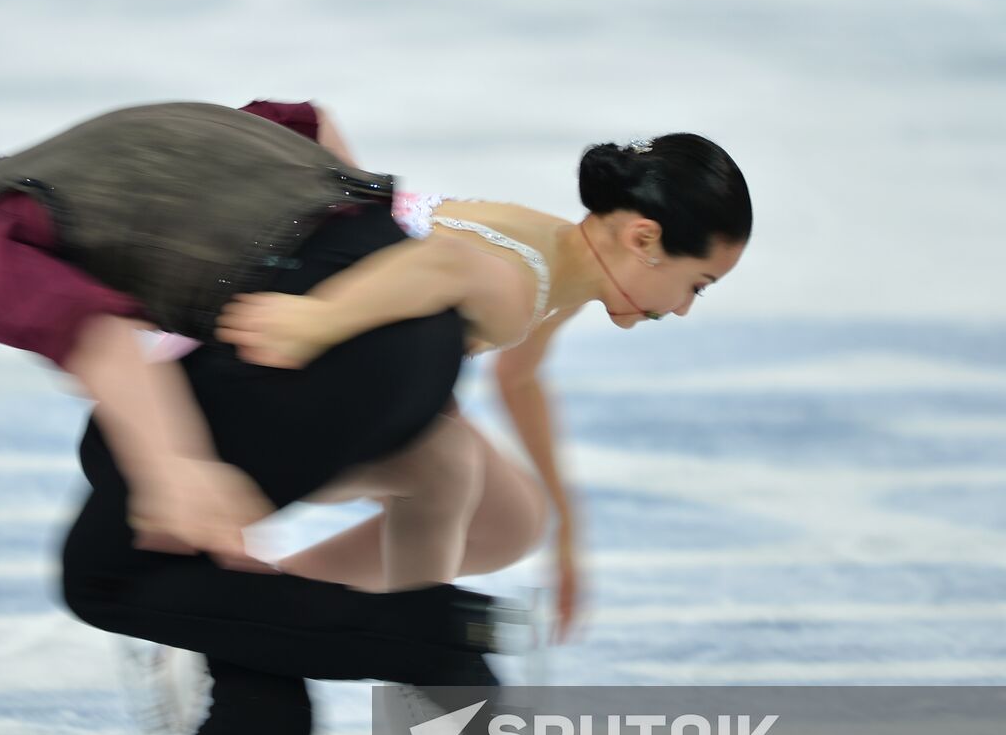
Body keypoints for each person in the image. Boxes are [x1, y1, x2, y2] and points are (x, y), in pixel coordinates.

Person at [0, 99, 518, 735]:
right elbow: (307, 126)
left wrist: (177, 472)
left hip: (337, 343)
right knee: (119, 448)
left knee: (105, 571)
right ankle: (257, 717)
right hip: (419, 320)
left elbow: (105, 347)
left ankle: (438, 635)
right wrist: (379, 294)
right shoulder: (78, 158)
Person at [215, 128, 753, 639]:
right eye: (696, 286)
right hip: (257, 365)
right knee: (448, 466)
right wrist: (316, 321)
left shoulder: (566, 260)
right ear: (645, 238)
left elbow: (519, 378)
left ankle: (258, 607)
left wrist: (566, 527)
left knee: (510, 520)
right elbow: (446, 264)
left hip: (336, 369)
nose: (682, 309)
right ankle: (422, 684)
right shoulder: (523, 281)